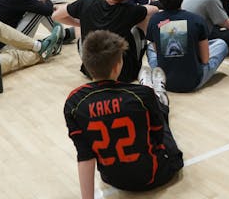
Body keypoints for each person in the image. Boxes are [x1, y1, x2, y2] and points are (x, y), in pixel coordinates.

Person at [64, 30, 183, 195]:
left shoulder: (74, 102)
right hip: (155, 176)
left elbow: (85, 156)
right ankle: (159, 95)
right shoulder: (139, 95)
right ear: (117, 66)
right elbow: (158, 136)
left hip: (111, 179)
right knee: (162, 121)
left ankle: (155, 94)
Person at [53, 0, 157, 82]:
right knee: (143, 19)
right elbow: (154, 10)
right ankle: (138, 64)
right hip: (123, 73)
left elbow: (56, 16)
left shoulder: (87, 3)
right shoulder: (131, 11)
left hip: (92, 71)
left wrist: (79, 23)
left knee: (82, 35)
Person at [146, 0, 227, 91]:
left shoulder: (154, 20)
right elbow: (205, 60)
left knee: (149, 46)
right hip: (193, 81)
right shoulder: (196, 20)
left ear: (160, 0)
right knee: (221, 44)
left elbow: (157, 51)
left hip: (164, 79)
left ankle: (158, 74)